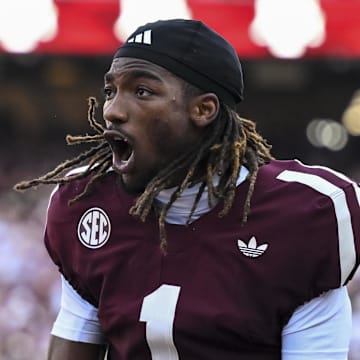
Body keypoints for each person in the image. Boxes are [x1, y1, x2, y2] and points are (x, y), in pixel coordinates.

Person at [15, 19, 360, 360]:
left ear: (203, 110)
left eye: (142, 91)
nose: (112, 110)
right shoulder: (86, 202)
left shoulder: (307, 217)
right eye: (110, 91)